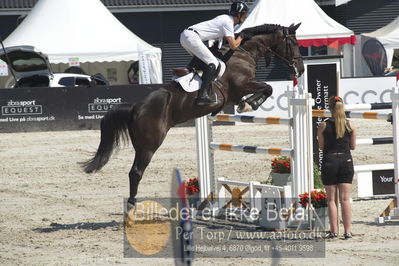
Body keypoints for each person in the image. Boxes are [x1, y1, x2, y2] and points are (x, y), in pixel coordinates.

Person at [180, 1, 249, 106]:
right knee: (213, 63)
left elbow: (219, 44)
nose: (245, 16)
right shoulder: (228, 22)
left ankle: (192, 78)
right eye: (244, 14)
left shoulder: (225, 19)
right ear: (239, 14)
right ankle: (202, 95)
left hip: (187, 36)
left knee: (204, 62)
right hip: (192, 37)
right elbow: (233, 45)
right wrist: (241, 36)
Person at [317, 96, 356, 240]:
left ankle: (334, 231)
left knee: (331, 200)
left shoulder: (323, 125)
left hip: (330, 160)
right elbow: (353, 146)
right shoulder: (350, 124)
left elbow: (321, 147)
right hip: (346, 160)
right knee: (345, 199)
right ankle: (347, 231)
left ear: (330, 108)